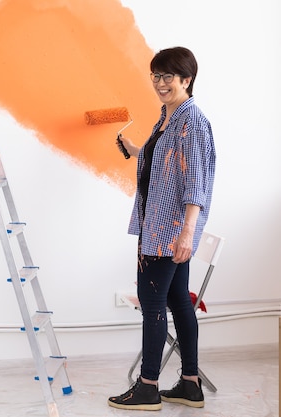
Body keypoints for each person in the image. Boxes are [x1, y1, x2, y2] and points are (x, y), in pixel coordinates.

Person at [108, 46, 216, 411]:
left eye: (168, 76)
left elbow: (196, 182)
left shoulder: (192, 121)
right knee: (176, 303)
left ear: (187, 79)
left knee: (153, 303)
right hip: (158, 224)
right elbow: (166, 159)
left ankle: (148, 387)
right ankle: (190, 384)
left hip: (168, 231)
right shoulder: (168, 117)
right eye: (155, 75)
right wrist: (137, 149)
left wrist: (187, 233)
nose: (160, 83)